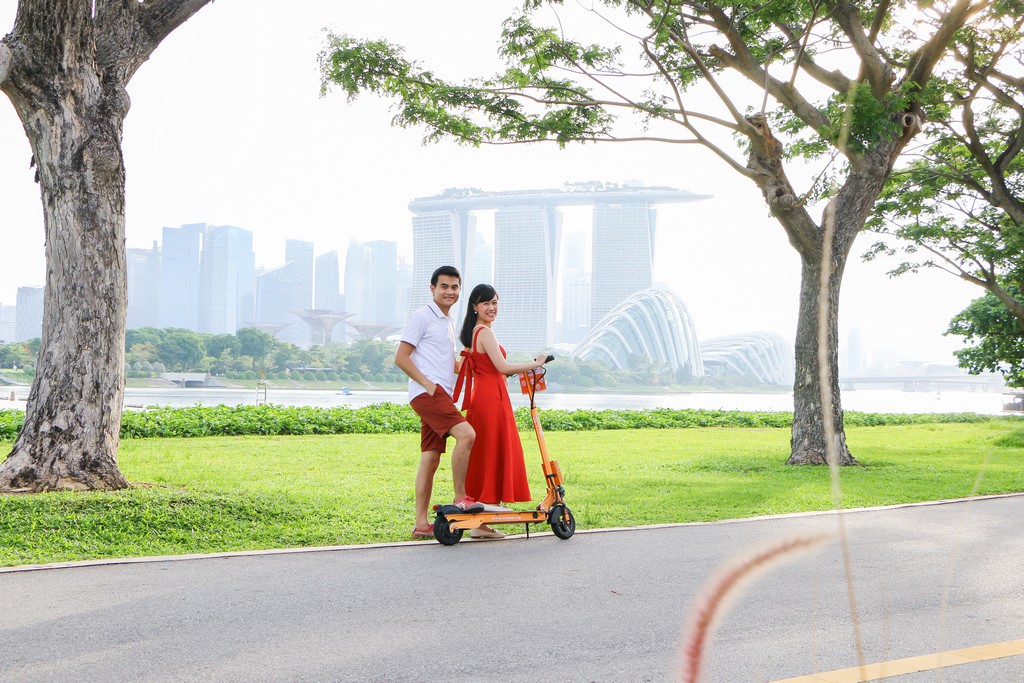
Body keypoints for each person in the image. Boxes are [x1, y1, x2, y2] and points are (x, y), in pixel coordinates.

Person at [454, 284, 548, 539]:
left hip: (483, 397)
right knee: (493, 448)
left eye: (495, 302)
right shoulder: (484, 332)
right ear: (475, 306)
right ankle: (484, 510)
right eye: (486, 303)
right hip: (490, 399)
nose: (492, 307)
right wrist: (536, 363)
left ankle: (479, 524)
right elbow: (503, 367)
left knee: (486, 451)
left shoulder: (474, 333)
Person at [395, 265, 479, 539]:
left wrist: (478, 369)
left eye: (455, 287)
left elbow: (448, 363)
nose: (450, 292)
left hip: (438, 394)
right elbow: (401, 358)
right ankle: (460, 497)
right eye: (444, 286)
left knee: (430, 459)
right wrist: (429, 385)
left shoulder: (447, 321)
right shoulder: (421, 317)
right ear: (432, 289)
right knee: (467, 434)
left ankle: (421, 524)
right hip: (429, 394)